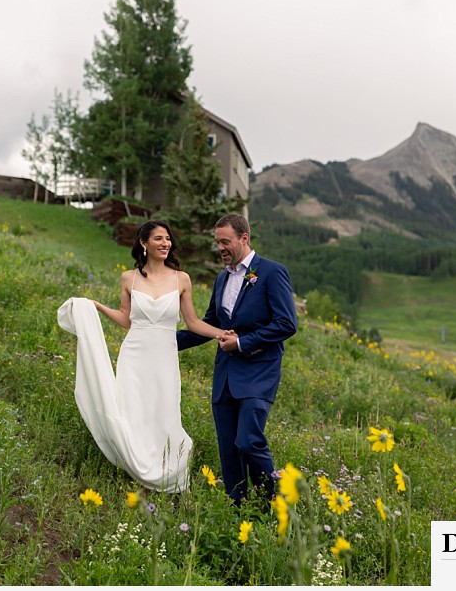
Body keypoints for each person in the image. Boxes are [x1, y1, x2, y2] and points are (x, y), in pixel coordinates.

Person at [57, 220, 225, 492]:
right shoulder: (129, 278)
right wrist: (98, 306)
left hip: (164, 358)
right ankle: (134, 465)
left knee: (163, 410)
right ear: (144, 243)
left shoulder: (181, 278)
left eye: (168, 238)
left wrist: (221, 333)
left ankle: (163, 468)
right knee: (134, 410)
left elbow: (192, 322)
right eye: (158, 238)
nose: (165, 243)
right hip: (135, 355)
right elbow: (126, 320)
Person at [177, 214, 297, 503]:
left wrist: (242, 343)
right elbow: (207, 326)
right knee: (229, 450)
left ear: (244, 238)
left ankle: (274, 504)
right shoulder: (221, 280)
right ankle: (238, 508)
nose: (220, 247)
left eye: (225, 241)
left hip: (258, 373)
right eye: (217, 242)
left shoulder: (271, 272)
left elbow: (286, 323)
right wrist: (159, 341)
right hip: (225, 378)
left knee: (248, 441)